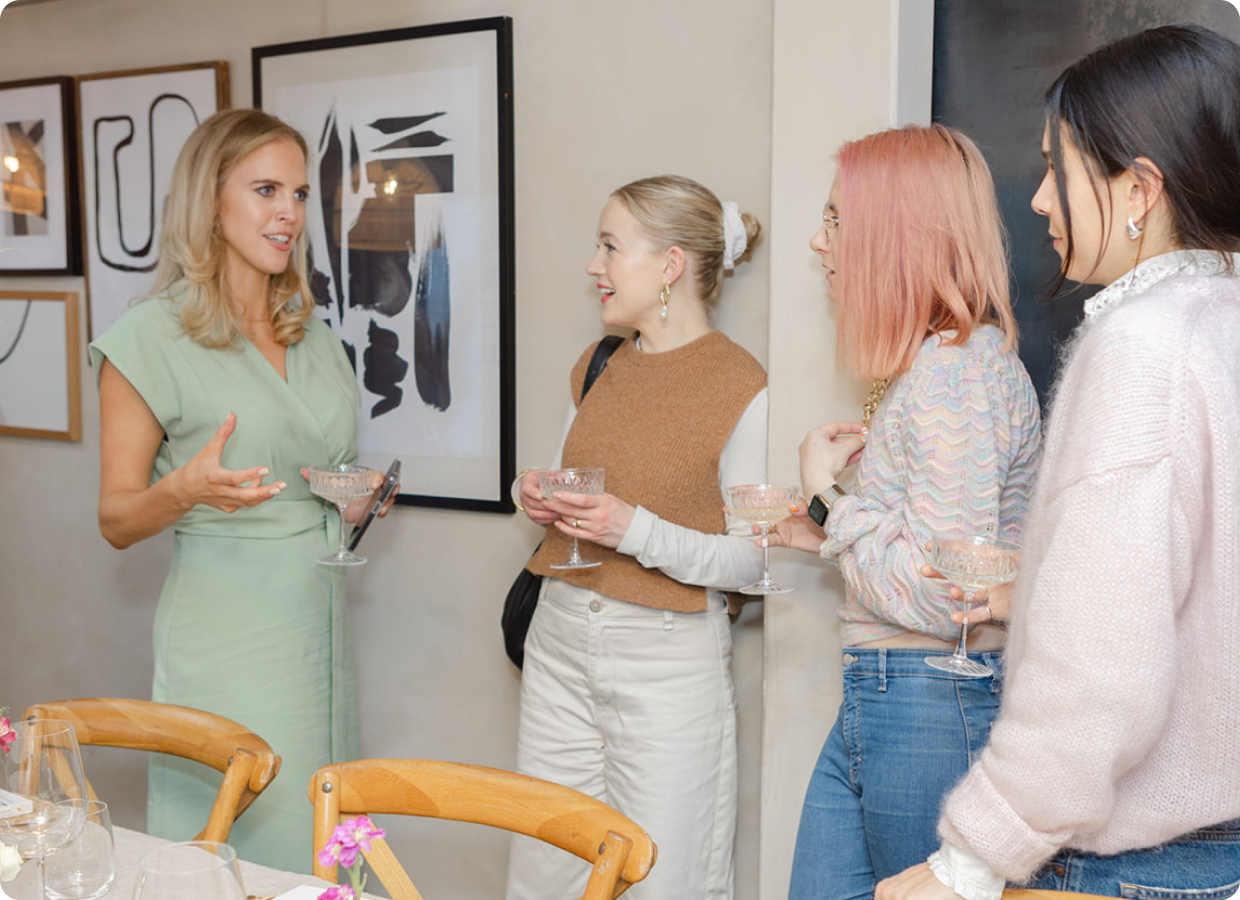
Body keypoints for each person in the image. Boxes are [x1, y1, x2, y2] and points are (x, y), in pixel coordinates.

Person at [876, 24, 1240, 900]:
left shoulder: (1144, 344)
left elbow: (1100, 674)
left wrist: (967, 862)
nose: (1039, 200)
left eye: (1058, 169)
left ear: (1139, 189)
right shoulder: (1222, 325)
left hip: (1134, 865)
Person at [90, 108, 388, 871]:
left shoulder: (313, 335)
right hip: (228, 633)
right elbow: (117, 519)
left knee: (321, 834)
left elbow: (317, 475)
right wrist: (184, 490)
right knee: (238, 840)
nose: (289, 212)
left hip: (318, 627)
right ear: (210, 204)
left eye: (296, 192)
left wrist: (355, 498)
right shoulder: (147, 340)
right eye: (265, 190)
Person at [767, 125, 1042, 900]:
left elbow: (943, 592)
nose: (818, 245)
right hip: (895, 692)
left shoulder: (953, 374)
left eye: (835, 222)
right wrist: (830, 527)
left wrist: (828, 497)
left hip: (925, 695)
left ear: (894, 237)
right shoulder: (938, 364)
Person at [505, 175, 767, 900]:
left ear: (671, 265)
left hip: (667, 661)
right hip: (558, 642)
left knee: (664, 876)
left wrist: (633, 530)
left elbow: (753, 562)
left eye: (611, 246)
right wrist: (536, 494)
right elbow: (572, 484)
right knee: (544, 868)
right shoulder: (600, 364)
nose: (594, 265)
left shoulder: (743, 384)